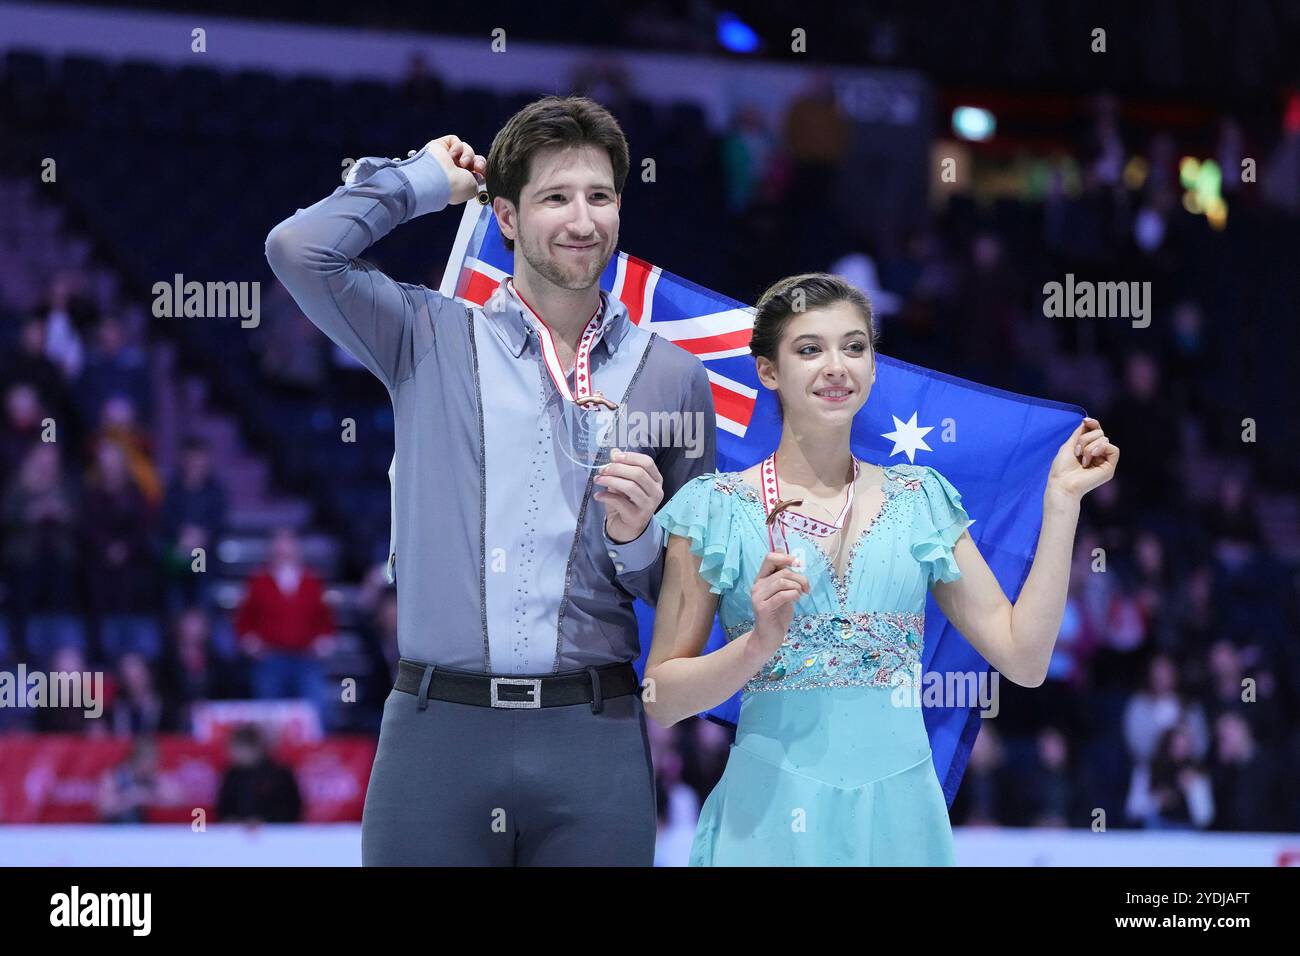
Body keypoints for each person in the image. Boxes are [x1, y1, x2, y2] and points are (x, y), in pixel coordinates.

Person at [265, 95, 716, 865]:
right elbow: (298, 250)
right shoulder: (426, 333)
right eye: (555, 198)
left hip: (593, 739)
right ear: (504, 216)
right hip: (436, 736)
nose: (583, 219)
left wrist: (639, 540)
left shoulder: (672, 377)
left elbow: (682, 597)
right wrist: (417, 182)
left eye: (600, 196)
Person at [645, 272, 1119, 865]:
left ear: (873, 365)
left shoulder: (921, 500)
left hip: (901, 822)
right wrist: (755, 646)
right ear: (768, 370)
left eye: (854, 346)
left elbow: (1024, 659)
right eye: (809, 349)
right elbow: (660, 696)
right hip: (768, 822)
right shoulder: (713, 508)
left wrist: (1061, 505)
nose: (836, 366)